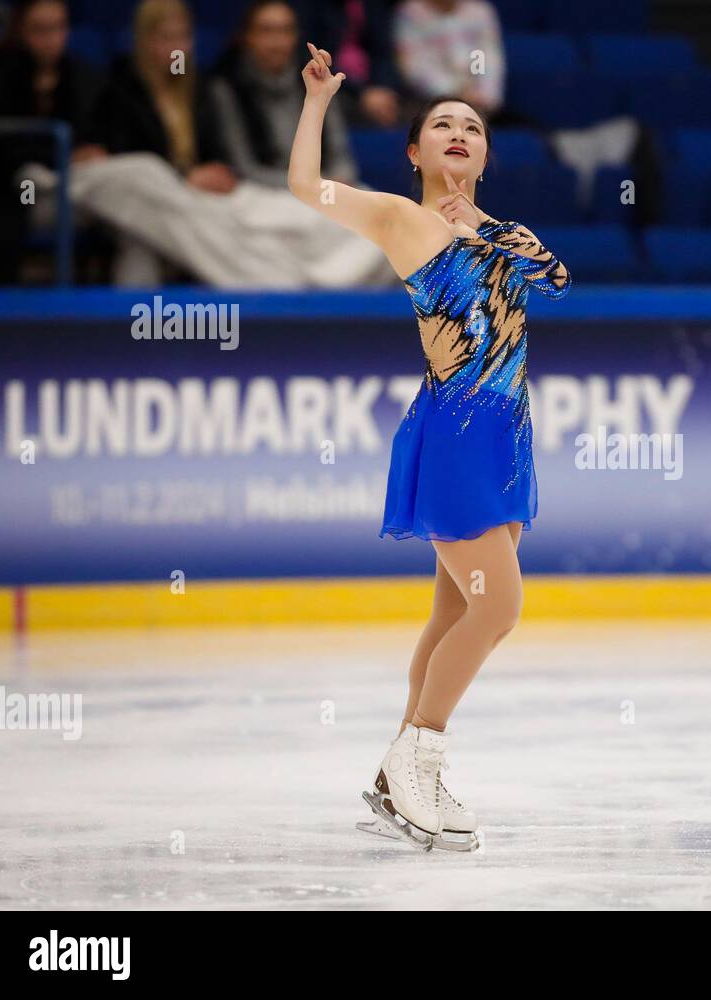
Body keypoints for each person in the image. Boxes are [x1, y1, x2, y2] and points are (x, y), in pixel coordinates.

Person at [287, 42, 570, 852]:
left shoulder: (504, 233)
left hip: (507, 436)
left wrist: (483, 227)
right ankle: (421, 753)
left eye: (472, 127)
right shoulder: (396, 216)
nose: (457, 132)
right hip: (452, 432)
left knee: (456, 606)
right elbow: (304, 188)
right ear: (414, 151)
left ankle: (398, 771)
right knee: (499, 605)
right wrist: (317, 102)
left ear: (483, 155)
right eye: (441, 124)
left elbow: (556, 278)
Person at [89, 0, 236, 282]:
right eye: (167, 38)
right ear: (144, 41)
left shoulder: (204, 89)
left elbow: (221, 153)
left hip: (202, 199)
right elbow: (128, 162)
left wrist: (219, 172)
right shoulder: (122, 89)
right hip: (145, 201)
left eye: (184, 37)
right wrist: (185, 177)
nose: (177, 48)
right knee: (142, 242)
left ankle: (242, 314)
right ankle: (137, 322)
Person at [0, 0, 104, 283]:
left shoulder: (81, 77)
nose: (50, 39)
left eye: (58, 28)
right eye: (40, 29)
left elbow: (97, 134)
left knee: (135, 179)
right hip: (23, 190)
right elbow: (2, 151)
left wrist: (90, 152)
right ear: (22, 30)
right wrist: (59, 158)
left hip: (80, 182)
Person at [209, 0, 359, 188]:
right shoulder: (227, 86)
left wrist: (335, 181)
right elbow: (243, 168)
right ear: (247, 36)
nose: (277, 41)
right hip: (265, 191)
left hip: (323, 186)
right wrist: (308, 187)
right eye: (266, 31)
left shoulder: (316, 76)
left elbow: (340, 155)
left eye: (285, 30)